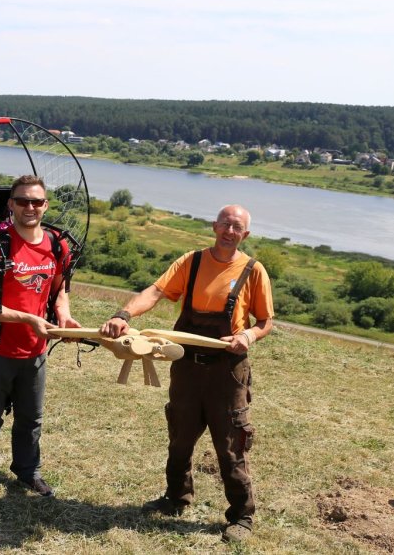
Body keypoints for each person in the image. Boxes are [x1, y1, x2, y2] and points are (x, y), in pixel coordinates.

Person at [100, 204, 274, 543]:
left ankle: (241, 517)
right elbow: (156, 292)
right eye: (224, 223)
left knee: (230, 446)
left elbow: (266, 322)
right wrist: (124, 314)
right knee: (180, 437)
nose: (229, 230)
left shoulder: (254, 271)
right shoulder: (191, 262)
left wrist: (247, 336)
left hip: (227, 373)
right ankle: (176, 497)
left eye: (236, 226)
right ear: (214, 226)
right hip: (186, 368)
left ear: (245, 235)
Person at [0, 174, 80, 497]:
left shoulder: (57, 245)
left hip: (35, 351)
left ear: (45, 205)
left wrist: (65, 317)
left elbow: (59, 290)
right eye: (22, 201)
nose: (30, 207)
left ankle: (28, 472)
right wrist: (29, 318)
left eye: (37, 201)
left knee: (32, 418)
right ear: (11, 205)